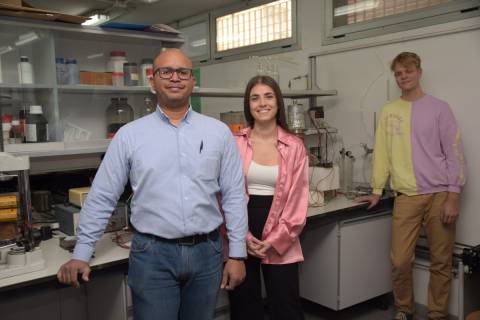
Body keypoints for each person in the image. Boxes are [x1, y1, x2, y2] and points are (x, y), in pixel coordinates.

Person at [57, 48, 248, 320]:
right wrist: (82, 253)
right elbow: (102, 196)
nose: (175, 78)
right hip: (152, 255)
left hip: (207, 253)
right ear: (152, 81)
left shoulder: (218, 133)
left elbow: (234, 196)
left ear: (192, 81)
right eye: (166, 71)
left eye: (183, 72)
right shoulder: (129, 136)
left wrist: (237, 254)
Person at [355, 52, 466, 320]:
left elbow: (454, 153)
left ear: (419, 72)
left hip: (440, 194)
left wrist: (453, 196)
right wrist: (377, 189)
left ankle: (437, 313)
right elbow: (382, 152)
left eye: (408, 71)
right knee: (400, 260)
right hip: (406, 196)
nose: (403, 76)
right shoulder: (389, 111)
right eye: (398, 73)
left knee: (441, 260)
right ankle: (404, 308)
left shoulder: (440, 108)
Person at [228, 75, 309, 320]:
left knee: (287, 306)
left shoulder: (294, 146)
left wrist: (274, 240)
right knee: (244, 307)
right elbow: (225, 195)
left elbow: (298, 199)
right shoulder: (234, 143)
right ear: (248, 104)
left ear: (278, 102)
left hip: (282, 233)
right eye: (255, 98)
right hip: (241, 233)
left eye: (268, 96)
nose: (262, 103)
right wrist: (242, 236)